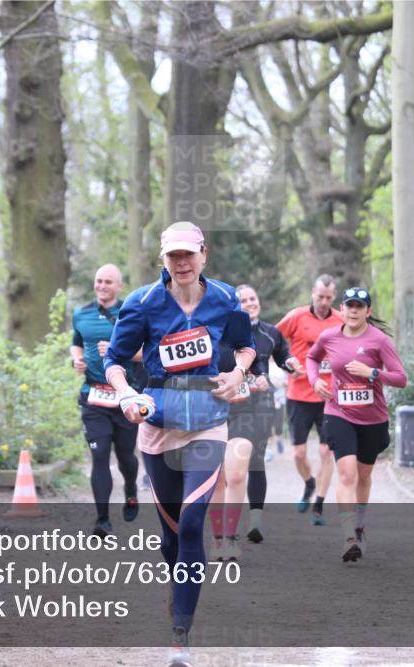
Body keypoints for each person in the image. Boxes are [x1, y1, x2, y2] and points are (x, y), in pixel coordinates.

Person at [103, 221, 256, 667]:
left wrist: (237, 373)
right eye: (174, 256)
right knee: (171, 539)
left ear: (204, 254)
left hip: (209, 421)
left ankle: (180, 636)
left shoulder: (226, 299)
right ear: (163, 260)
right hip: (158, 426)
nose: (183, 262)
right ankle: (178, 589)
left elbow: (245, 348)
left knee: (192, 525)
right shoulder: (142, 303)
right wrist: (128, 393)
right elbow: (114, 360)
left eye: (190, 254)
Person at [306, 287, 407, 561]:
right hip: (339, 413)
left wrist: (372, 372)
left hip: (372, 419)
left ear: (368, 311)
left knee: (363, 477)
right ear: (342, 309)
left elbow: (400, 378)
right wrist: (315, 381)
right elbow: (312, 358)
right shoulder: (329, 337)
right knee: (347, 474)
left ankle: (360, 524)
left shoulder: (379, 340)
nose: (353, 310)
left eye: (359, 306)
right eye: (349, 305)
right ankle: (349, 536)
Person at [209, 284, 292, 559]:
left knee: (235, 472)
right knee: (217, 476)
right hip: (211, 411)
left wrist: (257, 380)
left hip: (246, 409)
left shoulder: (253, 336)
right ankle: (218, 537)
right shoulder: (207, 333)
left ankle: (231, 537)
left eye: (250, 300)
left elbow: (261, 367)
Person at [69, 264, 143, 538]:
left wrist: (116, 350)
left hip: (125, 395)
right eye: (98, 280)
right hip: (93, 396)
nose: (102, 286)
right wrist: (76, 358)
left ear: (119, 286)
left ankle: (131, 489)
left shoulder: (131, 313)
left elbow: (147, 351)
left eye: (108, 282)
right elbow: (76, 341)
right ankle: (102, 521)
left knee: (126, 457)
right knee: (99, 455)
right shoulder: (81, 314)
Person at [276, 274, 343, 526]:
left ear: (333, 297)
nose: (324, 301)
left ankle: (319, 506)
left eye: (328, 297)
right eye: (320, 296)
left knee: (327, 452)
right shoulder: (296, 317)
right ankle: (309, 483)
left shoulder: (340, 320)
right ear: (312, 293)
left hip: (329, 396)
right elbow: (272, 340)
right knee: (298, 454)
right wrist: (285, 364)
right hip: (299, 395)